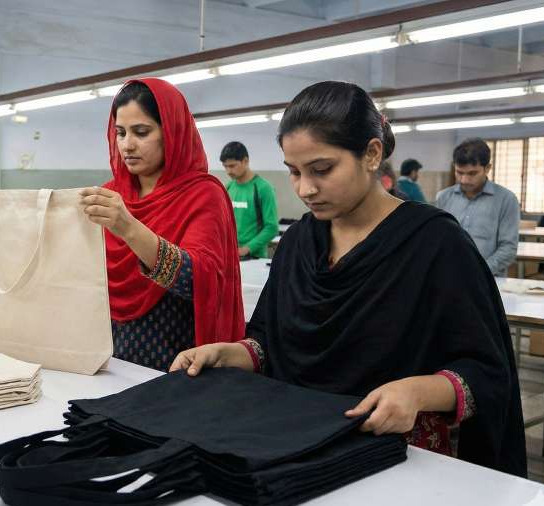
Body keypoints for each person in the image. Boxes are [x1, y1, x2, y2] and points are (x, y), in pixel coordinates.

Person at [169, 81, 526, 477]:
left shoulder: (435, 245)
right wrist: (225, 354)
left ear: (372, 154)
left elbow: (487, 374)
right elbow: (270, 345)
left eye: (322, 170)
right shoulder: (299, 243)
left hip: (396, 459)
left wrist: (415, 391)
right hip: (292, 448)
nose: (306, 188)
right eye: (294, 172)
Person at [0, 79, 245, 371]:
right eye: (120, 133)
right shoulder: (109, 196)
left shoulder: (204, 195)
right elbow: (52, 255)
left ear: (172, 132)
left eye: (141, 132)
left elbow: (202, 280)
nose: (127, 144)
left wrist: (130, 228)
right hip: (105, 361)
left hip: (173, 361)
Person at [436, 138, 520, 277]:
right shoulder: (444, 198)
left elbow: (508, 247)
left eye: (472, 173)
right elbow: (438, 241)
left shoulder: (506, 200)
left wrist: (480, 271)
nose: (464, 180)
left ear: (487, 168)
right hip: (449, 278)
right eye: (459, 172)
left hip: (488, 280)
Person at [221, 142, 278, 259]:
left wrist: (246, 249)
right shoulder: (227, 188)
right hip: (229, 255)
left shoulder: (264, 188)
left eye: (232, 166)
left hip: (253, 257)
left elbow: (271, 228)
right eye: (225, 166)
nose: (228, 171)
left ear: (245, 161)